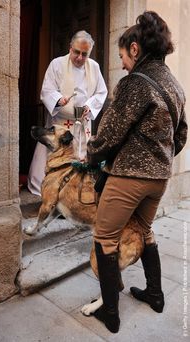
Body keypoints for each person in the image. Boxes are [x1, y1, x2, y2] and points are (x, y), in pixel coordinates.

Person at [87, 11, 188, 333]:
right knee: (144, 232)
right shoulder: (175, 84)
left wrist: (91, 154)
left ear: (134, 48)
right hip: (159, 179)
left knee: (105, 237)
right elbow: (181, 135)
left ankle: (111, 315)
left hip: (129, 176)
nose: (122, 65)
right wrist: (160, 160)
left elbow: (110, 133)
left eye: (122, 57)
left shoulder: (135, 83)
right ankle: (155, 294)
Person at [28, 30, 107, 196]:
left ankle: (73, 190)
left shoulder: (94, 67)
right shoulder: (56, 64)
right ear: (70, 48)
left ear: (89, 52)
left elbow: (101, 92)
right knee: (54, 152)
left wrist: (90, 106)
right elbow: (47, 89)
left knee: (80, 154)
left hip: (82, 120)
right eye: (76, 52)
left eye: (84, 54)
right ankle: (47, 188)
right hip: (60, 120)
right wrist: (57, 99)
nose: (79, 58)